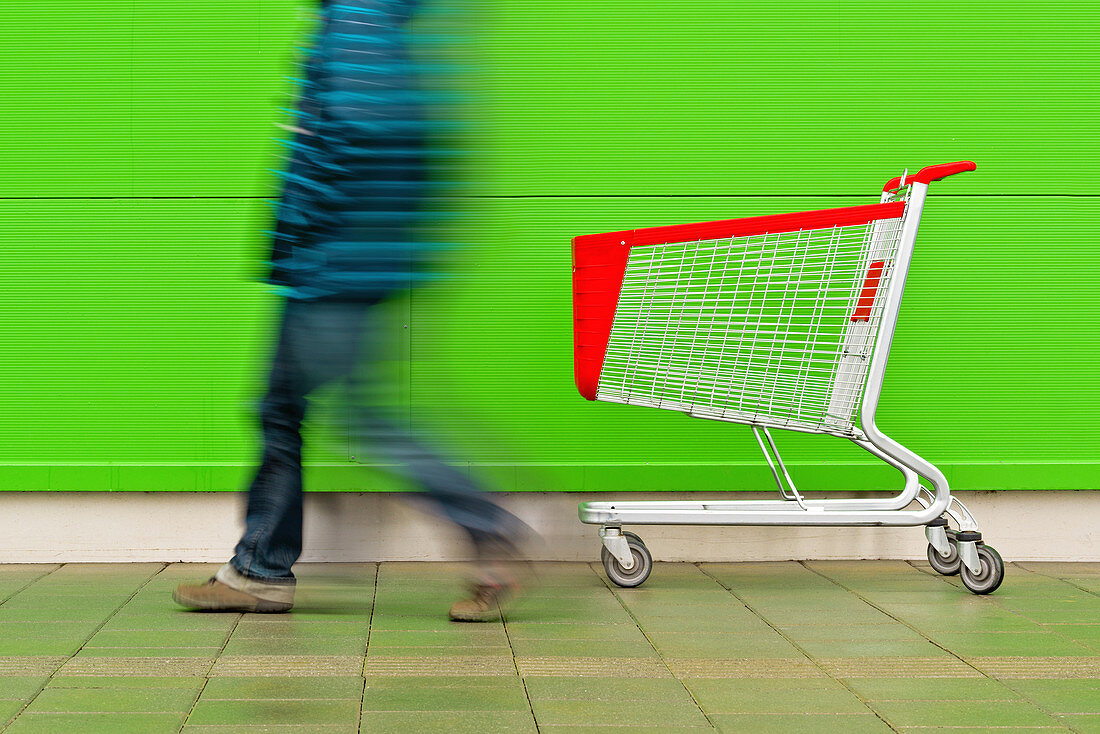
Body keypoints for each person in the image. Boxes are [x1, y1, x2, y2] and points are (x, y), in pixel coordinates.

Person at [173, 0, 529, 622]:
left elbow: (347, 143)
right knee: (280, 408)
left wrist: (298, 235)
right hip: (342, 261)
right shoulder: (375, 25)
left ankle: (486, 524)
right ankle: (259, 569)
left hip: (331, 264)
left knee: (364, 421)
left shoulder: (356, 23)